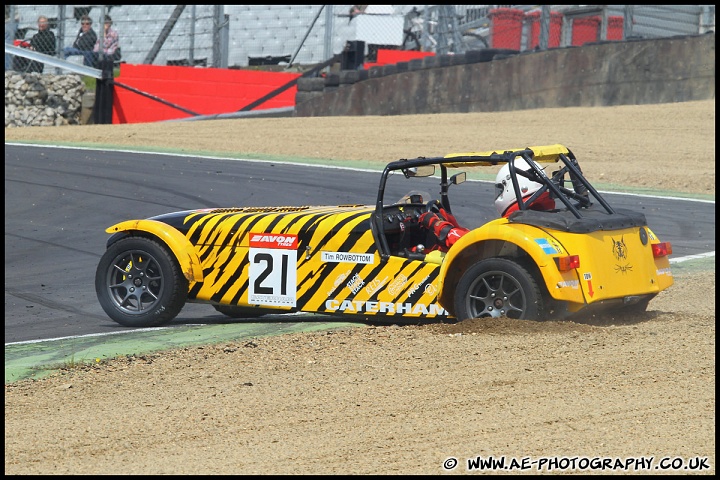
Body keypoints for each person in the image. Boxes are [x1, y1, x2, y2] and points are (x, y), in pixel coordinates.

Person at [417, 158, 556, 252]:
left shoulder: (514, 224)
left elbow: (471, 244)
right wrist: (453, 225)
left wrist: (437, 225)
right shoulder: (544, 217)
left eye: (500, 189)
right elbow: (477, 238)